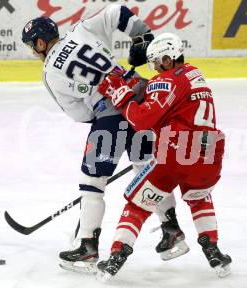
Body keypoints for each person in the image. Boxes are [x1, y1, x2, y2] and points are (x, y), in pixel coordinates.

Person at [21, 5, 189, 273]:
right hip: (141, 99)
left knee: (92, 182)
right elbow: (116, 12)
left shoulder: (50, 73)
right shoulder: (81, 30)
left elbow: (78, 113)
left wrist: (106, 118)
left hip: (109, 115)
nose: (33, 52)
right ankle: (171, 231)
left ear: (41, 43)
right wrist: (142, 36)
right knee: (145, 170)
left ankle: (87, 246)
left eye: (32, 46)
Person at [96, 32, 232, 281]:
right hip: (210, 155)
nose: (156, 69)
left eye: (157, 63)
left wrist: (122, 96)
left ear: (168, 60)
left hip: (175, 153)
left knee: (137, 204)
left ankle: (116, 256)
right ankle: (213, 251)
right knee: (199, 197)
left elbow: (142, 120)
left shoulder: (166, 81)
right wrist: (143, 90)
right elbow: (174, 100)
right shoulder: (196, 74)